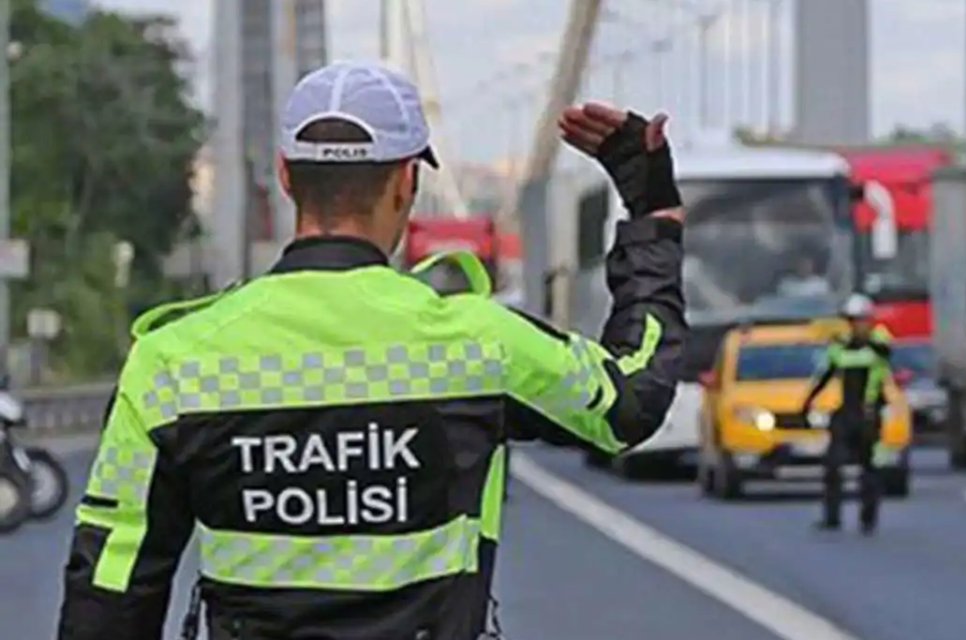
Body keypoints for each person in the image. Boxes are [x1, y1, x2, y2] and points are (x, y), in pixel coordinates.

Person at [57, 61, 687, 640]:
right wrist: (651, 215)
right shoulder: (477, 345)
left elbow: (111, 586)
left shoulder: (173, 361)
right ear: (406, 181)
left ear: (285, 176)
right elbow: (629, 400)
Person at [801, 293, 892, 534]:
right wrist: (807, 402)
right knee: (833, 465)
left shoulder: (878, 343)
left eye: (862, 320)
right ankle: (832, 517)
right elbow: (824, 376)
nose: (858, 326)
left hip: (870, 414)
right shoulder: (839, 349)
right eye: (853, 321)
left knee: (870, 469)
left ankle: (868, 518)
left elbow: (885, 351)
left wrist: (863, 340)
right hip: (846, 413)